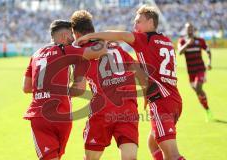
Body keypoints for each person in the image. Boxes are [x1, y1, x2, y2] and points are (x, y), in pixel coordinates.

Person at [76, 6, 185, 160]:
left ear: (150, 21)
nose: (135, 26)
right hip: (174, 98)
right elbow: (144, 71)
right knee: (153, 144)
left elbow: (119, 35)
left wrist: (91, 36)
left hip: (161, 100)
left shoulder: (144, 39)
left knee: (173, 155)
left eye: (138, 21)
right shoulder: (166, 41)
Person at [22, 20, 107, 160]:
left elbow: (26, 87)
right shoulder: (65, 50)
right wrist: (96, 38)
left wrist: (45, 91)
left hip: (39, 114)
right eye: (71, 35)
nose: (73, 39)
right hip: (62, 115)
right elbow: (101, 50)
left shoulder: (35, 54)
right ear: (63, 36)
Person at [70, 10, 148, 160]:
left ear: (76, 33)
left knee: (91, 157)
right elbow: (139, 70)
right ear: (91, 29)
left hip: (102, 109)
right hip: (127, 107)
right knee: (130, 157)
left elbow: (80, 89)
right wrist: (146, 94)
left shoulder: (80, 52)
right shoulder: (113, 45)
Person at [178, 22, 213, 122]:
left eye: (191, 28)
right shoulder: (182, 41)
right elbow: (180, 52)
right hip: (191, 72)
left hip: (200, 69)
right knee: (198, 92)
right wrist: (188, 44)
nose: (189, 30)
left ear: (193, 29)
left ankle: (207, 111)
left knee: (198, 87)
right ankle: (207, 109)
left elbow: (208, 50)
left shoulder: (200, 40)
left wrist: (209, 62)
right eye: (187, 28)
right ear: (185, 30)